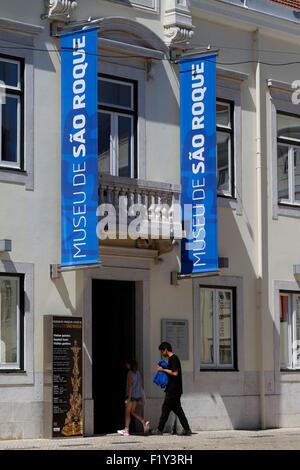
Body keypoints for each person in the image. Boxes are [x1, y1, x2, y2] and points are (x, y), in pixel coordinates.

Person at [152, 342, 192, 436]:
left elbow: (175, 373)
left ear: (166, 349)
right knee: (177, 409)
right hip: (174, 389)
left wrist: (163, 370)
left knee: (166, 408)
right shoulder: (172, 359)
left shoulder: (173, 358)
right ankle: (187, 429)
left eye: (162, 351)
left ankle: (159, 429)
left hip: (173, 389)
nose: (162, 353)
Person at [117, 359, 150, 436]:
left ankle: (126, 430)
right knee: (133, 412)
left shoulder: (129, 373)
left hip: (131, 397)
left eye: (127, 364)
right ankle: (144, 422)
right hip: (137, 396)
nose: (126, 365)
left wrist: (128, 398)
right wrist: (142, 397)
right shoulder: (138, 373)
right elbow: (142, 386)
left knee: (127, 413)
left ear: (130, 365)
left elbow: (130, 386)